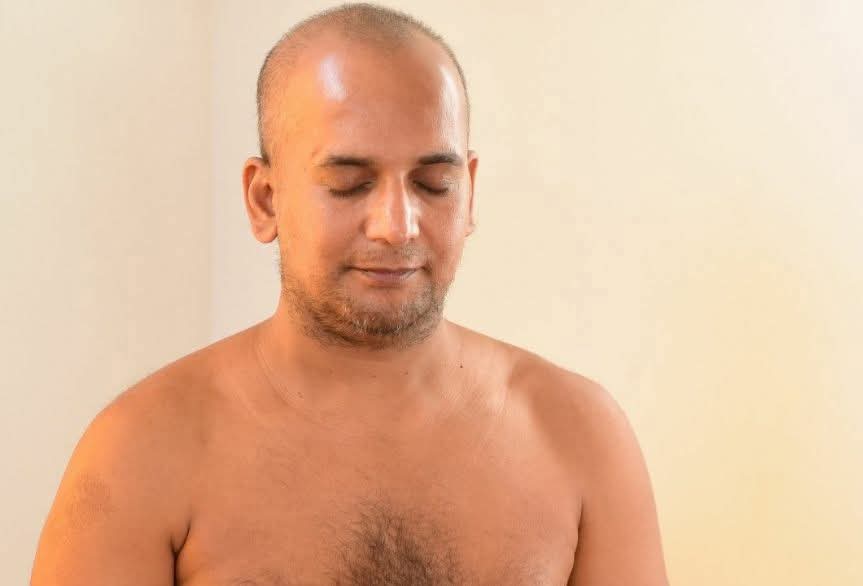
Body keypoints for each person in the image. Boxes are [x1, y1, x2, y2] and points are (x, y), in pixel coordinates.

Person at [30, 3, 669, 585]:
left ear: (470, 192)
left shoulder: (580, 437)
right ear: (265, 199)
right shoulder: (141, 453)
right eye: (349, 184)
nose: (397, 226)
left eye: (434, 183)